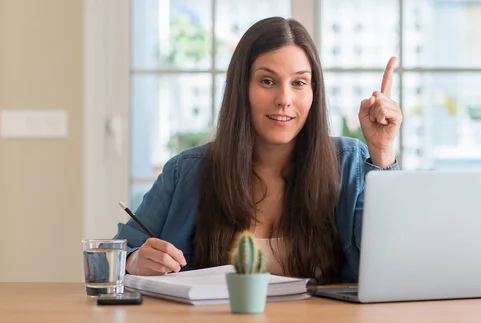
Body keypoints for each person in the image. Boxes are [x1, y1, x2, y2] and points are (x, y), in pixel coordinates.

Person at [114, 16, 402, 284]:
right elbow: (116, 256)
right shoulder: (187, 170)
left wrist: (383, 150)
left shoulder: (349, 162)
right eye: (267, 81)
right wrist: (134, 260)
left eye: (299, 83)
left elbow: (392, 262)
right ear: (242, 88)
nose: (284, 99)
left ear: (314, 92)